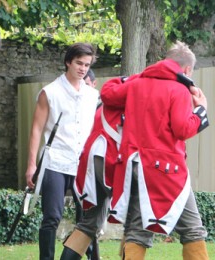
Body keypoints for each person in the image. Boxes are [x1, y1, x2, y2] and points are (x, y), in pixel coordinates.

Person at [100, 41, 210, 259]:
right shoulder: (178, 89)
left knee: (138, 231)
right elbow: (182, 129)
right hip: (166, 171)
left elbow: (108, 93)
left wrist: (133, 78)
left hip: (133, 167)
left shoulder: (136, 84)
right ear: (187, 69)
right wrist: (201, 111)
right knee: (192, 229)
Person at [24, 43, 99, 260]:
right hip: (54, 161)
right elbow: (36, 129)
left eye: (87, 64)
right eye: (79, 63)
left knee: (87, 218)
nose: (83, 68)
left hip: (82, 164)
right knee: (52, 217)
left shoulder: (93, 95)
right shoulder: (50, 92)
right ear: (68, 62)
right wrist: (31, 165)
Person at [60, 75, 126, 260]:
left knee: (88, 224)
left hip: (91, 160)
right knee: (134, 222)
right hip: (115, 159)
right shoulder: (142, 94)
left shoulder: (105, 101)